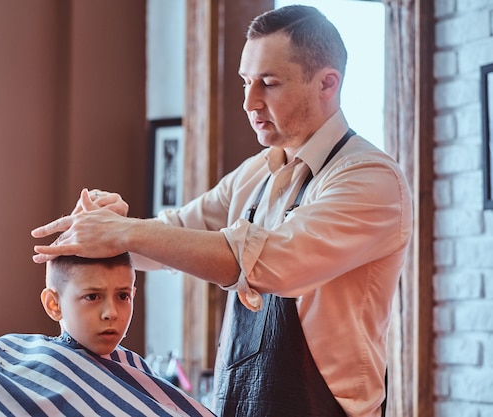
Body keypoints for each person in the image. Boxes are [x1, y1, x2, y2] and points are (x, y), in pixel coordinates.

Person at [31, 5, 413, 417]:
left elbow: (271, 263)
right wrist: (109, 229)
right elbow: (175, 233)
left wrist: (124, 233)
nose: (249, 102)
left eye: (269, 83)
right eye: (246, 83)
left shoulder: (370, 179)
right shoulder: (255, 174)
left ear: (327, 84)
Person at [0, 254, 215, 417]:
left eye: (123, 295)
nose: (111, 312)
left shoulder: (133, 367)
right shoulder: (21, 355)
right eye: (92, 297)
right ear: (54, 304)